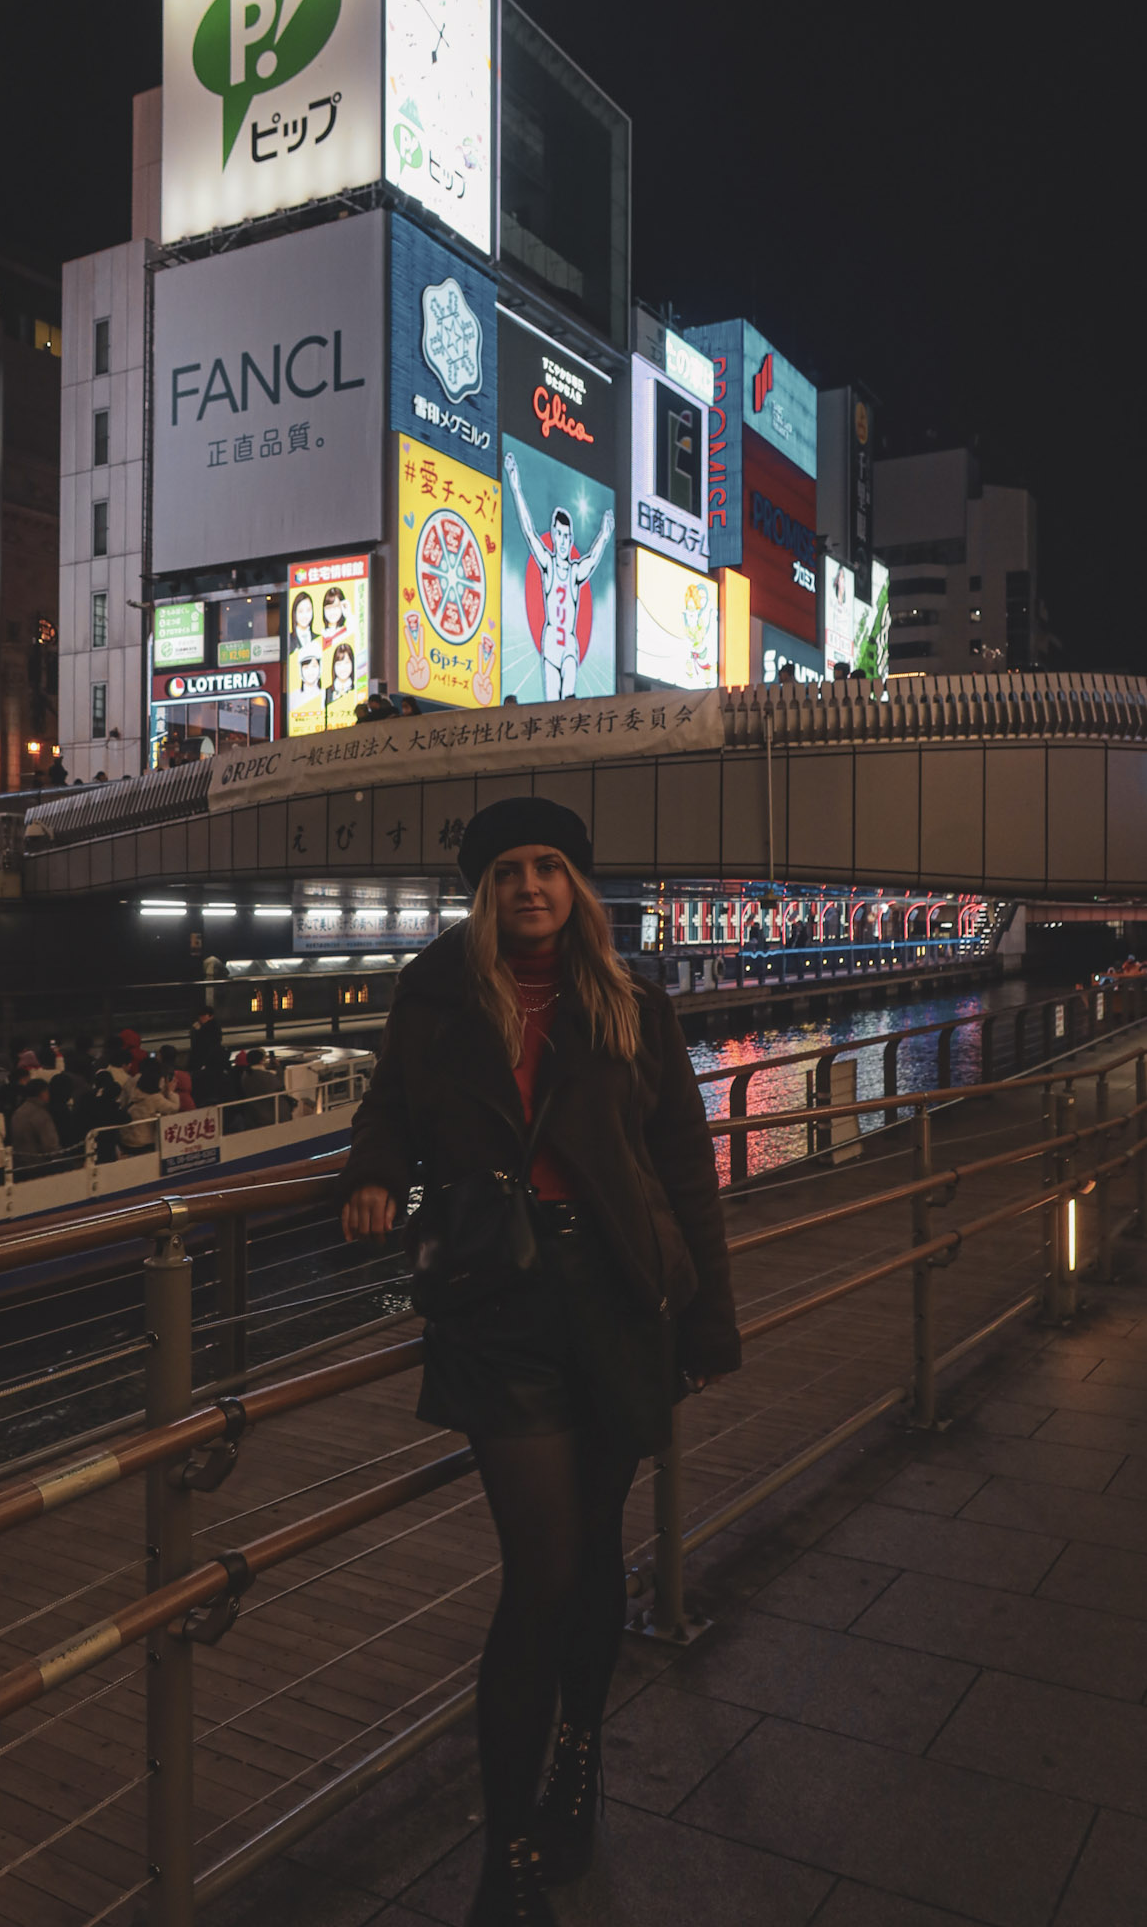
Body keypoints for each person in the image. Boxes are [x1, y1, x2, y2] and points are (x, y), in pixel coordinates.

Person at [340, 798, 740, 1925]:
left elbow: (683, 1167)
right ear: (483, 892)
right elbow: (389, 1111)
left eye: (549, 869)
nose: (529, 887)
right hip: (499, 1298)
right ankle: (505, 1843)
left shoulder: (630, 1003)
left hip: (618, 1296)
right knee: (543, 1570)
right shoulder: (434, 997)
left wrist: (707, 1324)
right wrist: (371, 1175)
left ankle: (578, 1754)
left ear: (576, 888)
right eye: (509, 870)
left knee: (596, 1551)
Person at [503, 451, 615, 702]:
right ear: (553, 535)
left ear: (571, 538)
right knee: (551, 709)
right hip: (551, 643)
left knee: (569, 699)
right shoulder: (548, 565)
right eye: (559, 535)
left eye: (567, 536)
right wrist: (515, 487)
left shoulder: (574, 571)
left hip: (569, 646)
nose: (563, 541)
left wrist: (605, 536)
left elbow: (592, 559)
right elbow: (529, 532)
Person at [121, 1060, 181, 1151]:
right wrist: (170, 1092)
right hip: (142, 1142)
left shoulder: (137, 1091)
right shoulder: (155, 1098)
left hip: (127, 1138)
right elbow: (174, 1107)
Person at [11, 1078, 61, 1178]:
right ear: (42, 1093)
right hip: (38, 1165)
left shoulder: (18, 1111)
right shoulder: (40, 1114)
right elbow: (50, 1147)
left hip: (19, 1163)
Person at [240, 1047, 284, 1127]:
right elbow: (280, 1085)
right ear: (261, 1060)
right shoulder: (265, 1076)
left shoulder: (246, 1074)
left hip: (252, 1114)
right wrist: (278, 1068)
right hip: (268, 1115)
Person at [158, 1045, 193, 1111]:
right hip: (188, 1105)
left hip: (171, 1105)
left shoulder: (160, 1072)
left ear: (161, 1056)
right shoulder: (183, 1071)